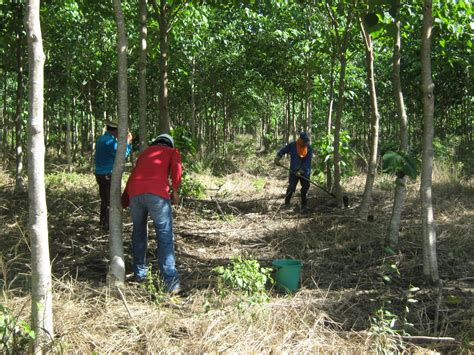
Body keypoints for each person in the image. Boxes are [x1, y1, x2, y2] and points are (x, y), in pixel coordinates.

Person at [121, 133, 182, 294]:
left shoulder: (145, 153)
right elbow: (176, 168)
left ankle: (140, 274)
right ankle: (171, 283)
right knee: (164, 235)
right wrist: (175, 191)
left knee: (139, 233)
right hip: (157, 194)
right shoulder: (172, 152)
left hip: (135, 193)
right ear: (169, 143)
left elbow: (134, 175)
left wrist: (124, 200)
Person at [94, 118, 132, 230]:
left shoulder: (101, 139)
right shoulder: (110, 142)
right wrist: (128, 142)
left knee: (105, 199)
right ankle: (108, 225)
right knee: (111, 201)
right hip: (108, 175)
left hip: (100, 174)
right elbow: (122, 154)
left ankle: (103, 223)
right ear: (116, 130)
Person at [274, 132, 313, 211]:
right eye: (304, 141)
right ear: (300, 140)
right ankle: (287, 203)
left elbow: (307, 161)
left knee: (305, 188)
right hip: (293, 171)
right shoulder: (293, 145)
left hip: (305, 172)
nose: (305, 143)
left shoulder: (309, 148)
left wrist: (301, 170)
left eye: (306, 142)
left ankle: (304, 206)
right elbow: (283, 150)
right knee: (291, 187)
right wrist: (278, 157)